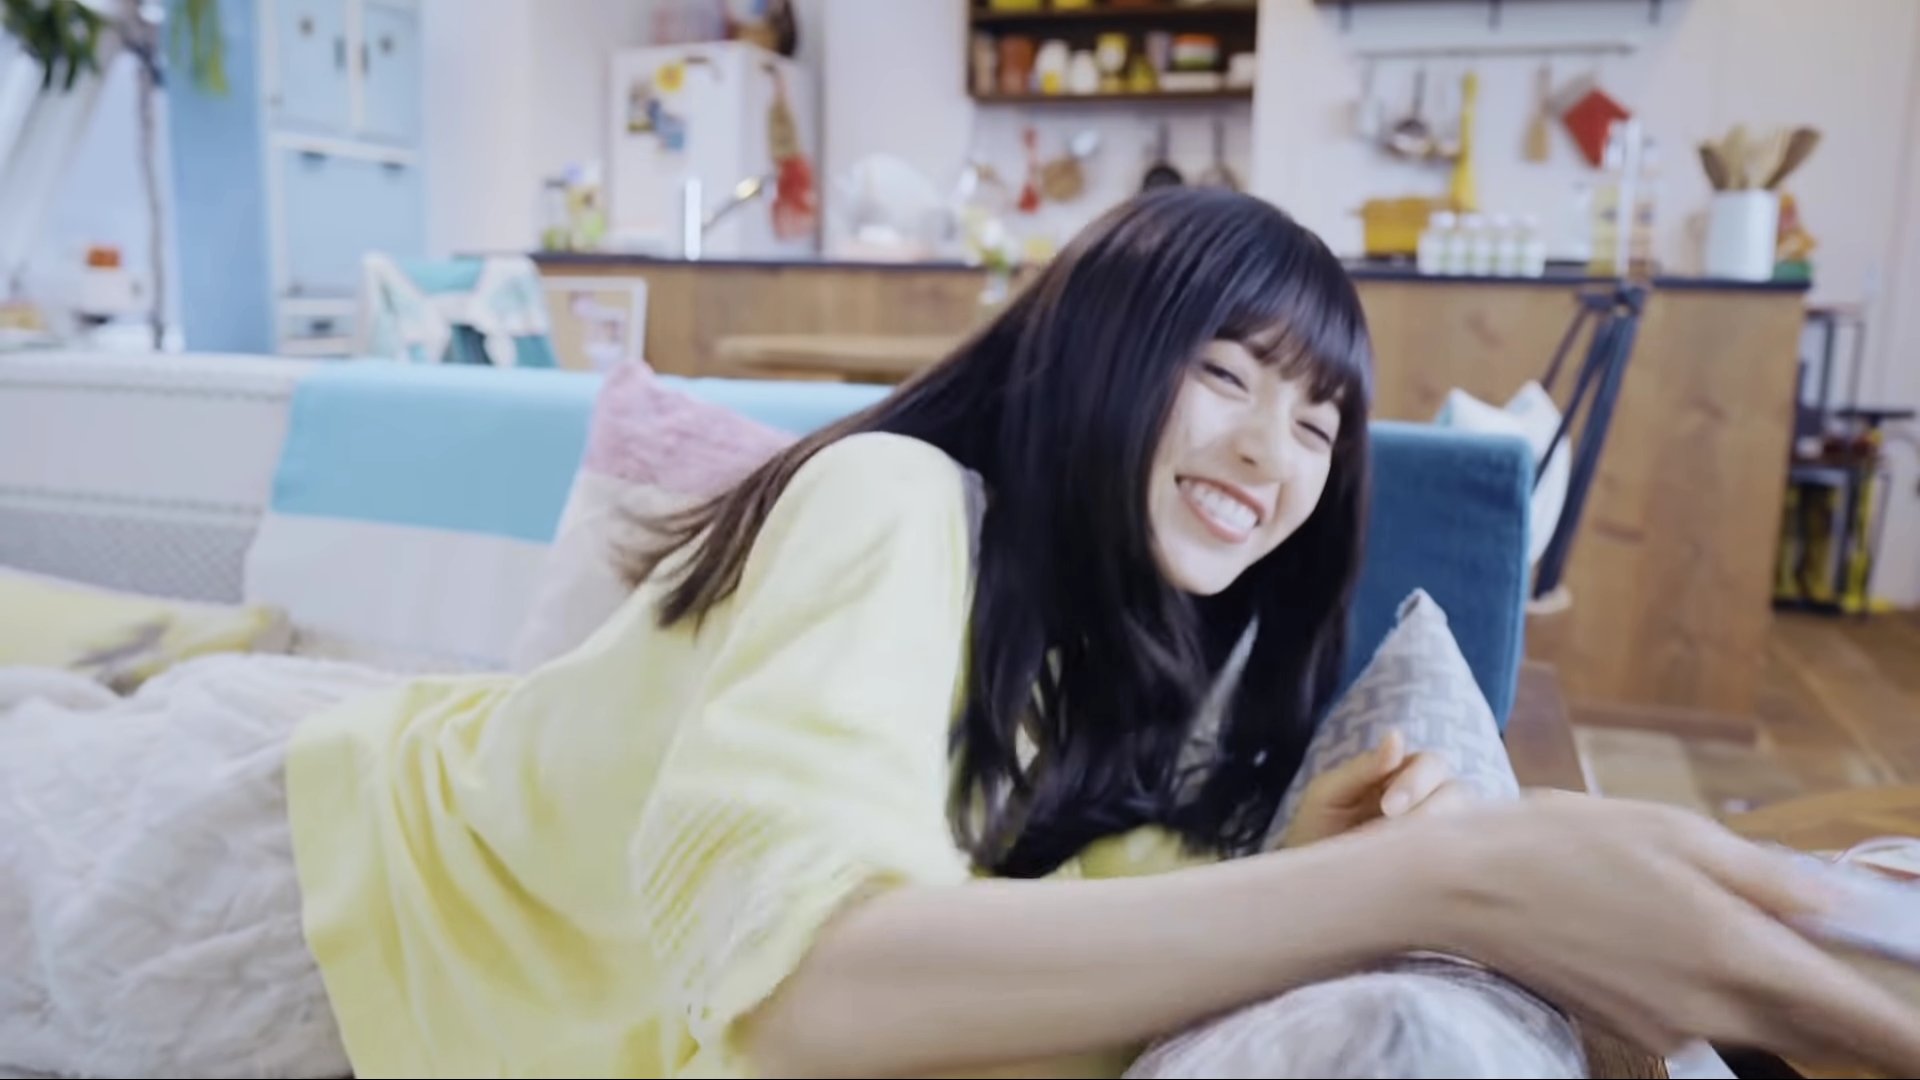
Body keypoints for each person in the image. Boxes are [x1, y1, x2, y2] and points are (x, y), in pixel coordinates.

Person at [4, 188, 1917, 1080]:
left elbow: (1038, 923)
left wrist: (1322, 874)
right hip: (272, 872)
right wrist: (1444, 887)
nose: (1274, 454)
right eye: (1225, 375)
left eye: (1320, 417)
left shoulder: (1149, 650)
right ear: (1099, 354)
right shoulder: (894, 503)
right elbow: (812, 995)